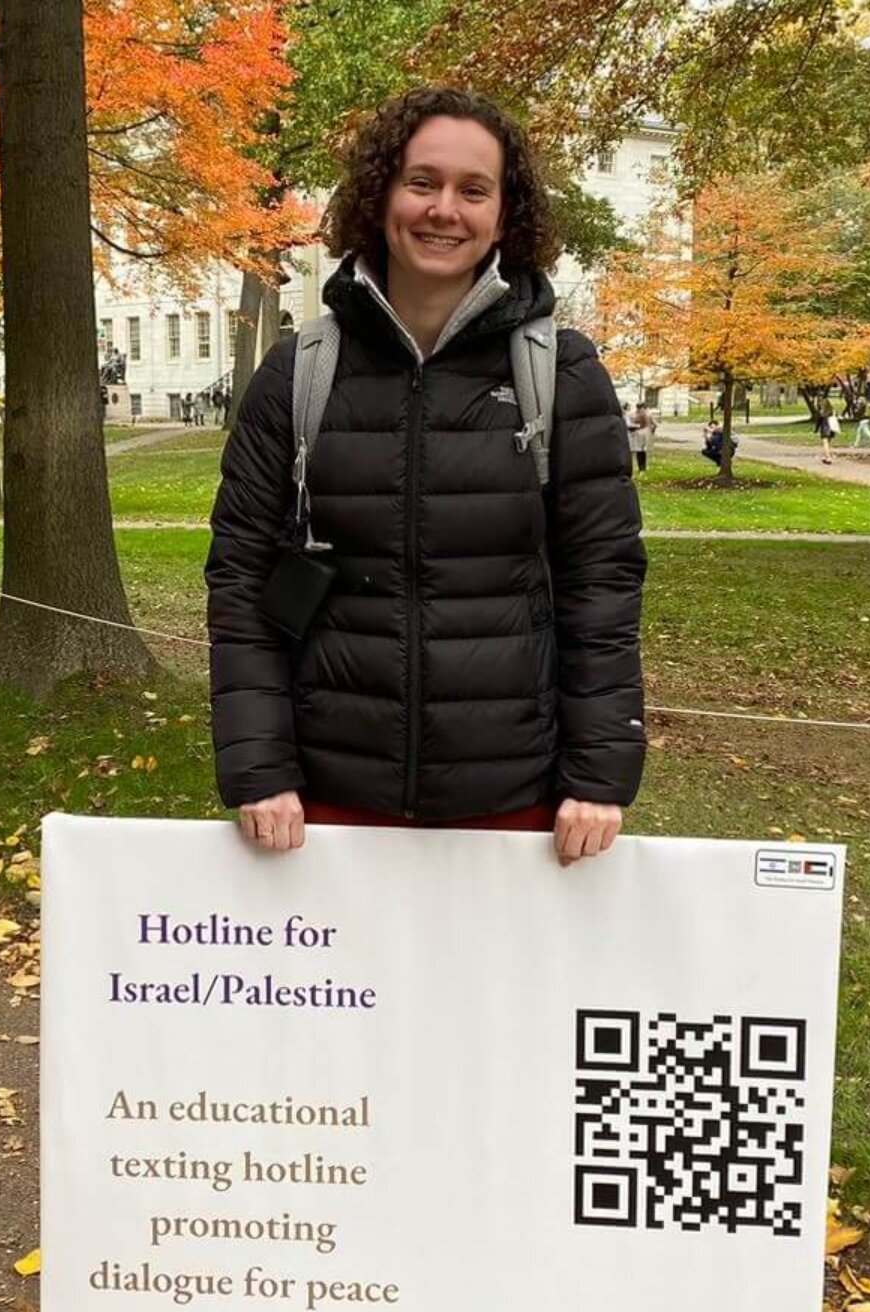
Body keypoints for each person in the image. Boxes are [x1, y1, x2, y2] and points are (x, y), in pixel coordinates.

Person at [206, 86, 644, 867]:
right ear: (382, 196)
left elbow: (601, 583)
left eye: (474, 190)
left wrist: (600, 774)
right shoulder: (299, 372)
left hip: (515, 803)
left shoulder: (562, 373)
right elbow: (241, 580)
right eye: (423, 182)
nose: (445, 208)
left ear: (504, 215)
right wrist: (259, 766)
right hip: (323, 805)